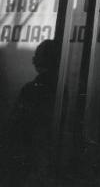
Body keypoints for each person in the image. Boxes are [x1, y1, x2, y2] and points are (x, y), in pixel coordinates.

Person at [0, 39, 60, 186]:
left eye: (37, 55)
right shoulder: (59, 86)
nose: (33, 60)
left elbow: (16, 124)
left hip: (29, 154)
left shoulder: (32, 88)